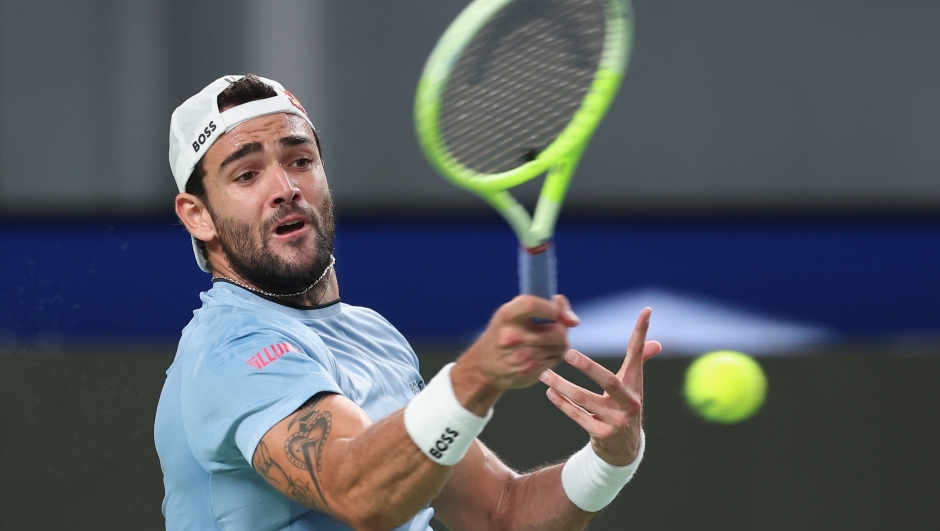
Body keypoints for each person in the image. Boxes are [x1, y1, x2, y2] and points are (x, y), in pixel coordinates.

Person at [154, 74, 661, 531]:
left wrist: (610, 459)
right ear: (197, 216)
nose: (285, 188)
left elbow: (502, 512)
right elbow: (360, 496)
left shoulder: (373, 335)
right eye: (246, 175)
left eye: (300, 160)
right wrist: (477, 377)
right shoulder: (229, 348)